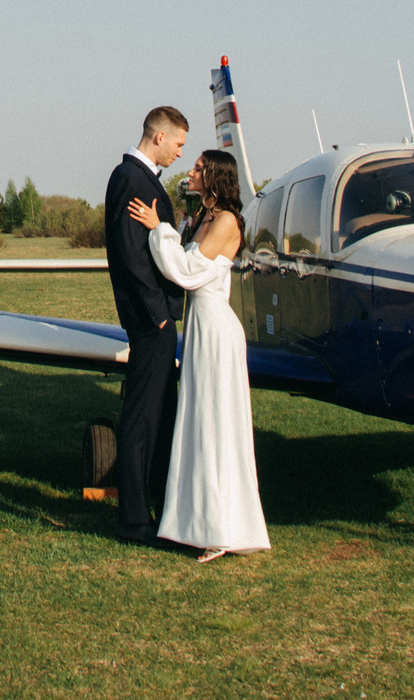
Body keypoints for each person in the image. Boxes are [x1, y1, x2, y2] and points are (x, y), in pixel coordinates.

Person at [125, 147, 269, 561]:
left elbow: (187, 272)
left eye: (199, 168)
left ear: (216, 176)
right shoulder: (204, 217)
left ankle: (221, 529)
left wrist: (159, 229)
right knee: (197, 419)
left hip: (217, 331)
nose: (191, 171)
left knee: (214, 421)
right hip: (199, 328)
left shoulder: (226, 222)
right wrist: (171, 230)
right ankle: (195, 522)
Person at [103, 106, 189, 544]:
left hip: (157, 320)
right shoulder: (130, 179)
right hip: (150, 321)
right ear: (159, 137)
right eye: (178, 144)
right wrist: (157, 314)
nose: (180, 153)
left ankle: (158, 505)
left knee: (161, 413)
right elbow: (131, 256)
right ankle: (134, 519)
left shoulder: (140, 179)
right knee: (141, 417)